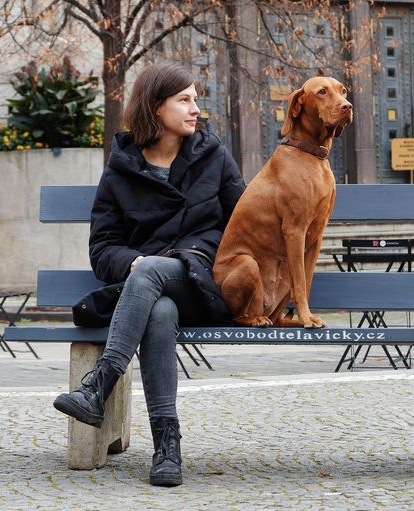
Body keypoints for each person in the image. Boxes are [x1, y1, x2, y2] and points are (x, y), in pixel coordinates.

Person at [52, 63, 245, 486]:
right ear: (156, 108)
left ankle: (98, 387)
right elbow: (103, 248)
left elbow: (247, 224)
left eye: (195, 99)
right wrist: (131, 263)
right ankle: (166, 447)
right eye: (185, 100)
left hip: (204, 284)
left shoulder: (213, 156)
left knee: (155, 270)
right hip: (149, 295)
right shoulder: (121, 167)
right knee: (157, 308)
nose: (196, 108)